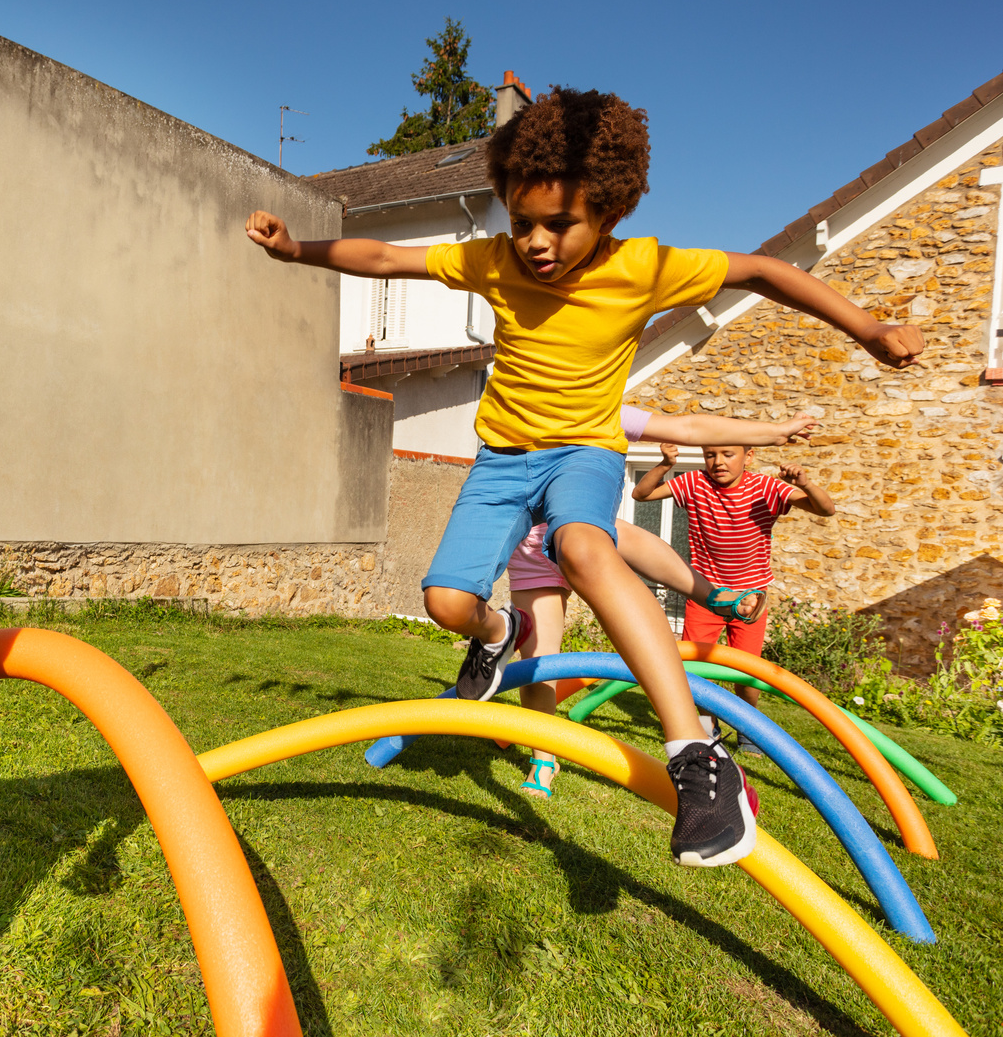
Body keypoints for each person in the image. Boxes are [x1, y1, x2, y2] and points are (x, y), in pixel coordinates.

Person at [246, 86, 921, 866]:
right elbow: (387, 258)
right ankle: (497, 636)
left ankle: (696, 754)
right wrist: (298, 251)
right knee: (444, 602)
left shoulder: (646, 266)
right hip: (500, 459)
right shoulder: (491, 259)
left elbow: (764, 271)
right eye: (520, 221)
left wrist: (867, 327)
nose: (534, 242)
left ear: (607, 212)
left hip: (583, 452)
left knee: (585, 550)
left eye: (557, 225)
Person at [510, 406, 816, 798]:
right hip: (533, 548)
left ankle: (715, 608)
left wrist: (777, 428)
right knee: (540, 661)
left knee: (714, 660)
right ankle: (543, 758)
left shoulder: (595, 406)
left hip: (588, 530)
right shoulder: (510, 415)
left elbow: (688, 426)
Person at [632, 440, 837, 757]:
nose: (718, 462)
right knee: (697, 668)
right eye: (710, 455)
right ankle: (705, 725)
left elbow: (826, 509)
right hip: (706, 594)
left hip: (752, 597)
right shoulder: (694, 482)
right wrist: (663, 464)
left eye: (728, 455)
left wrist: (805, 484)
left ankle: (749, 729)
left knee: (748, 671)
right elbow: (641, 495)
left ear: (748, 456)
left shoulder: (766, 487)